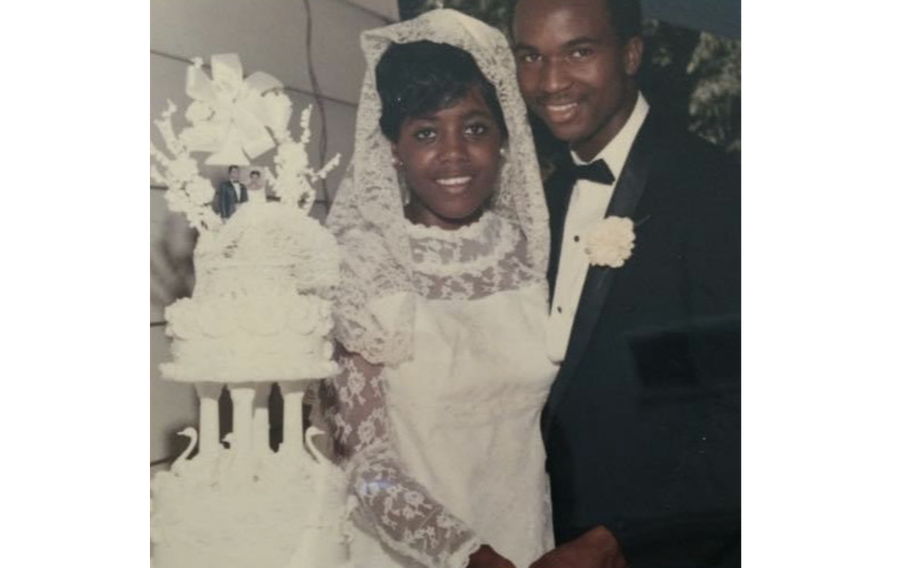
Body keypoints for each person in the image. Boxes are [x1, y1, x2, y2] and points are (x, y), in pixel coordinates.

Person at [510, 1, 743, 567]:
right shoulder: (540, 202)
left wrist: (619, 540)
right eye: (531, 57)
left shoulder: (716, 189)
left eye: (579, 51)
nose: (551, 81)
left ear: (632, 54)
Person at [325, 9, 556, 568]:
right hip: (414, 555)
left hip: (531, 544)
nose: (454, 154)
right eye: (426, 132)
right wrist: (465, 553)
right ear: (394, 151)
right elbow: (363, 466)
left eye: (476, 128)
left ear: (505, 140)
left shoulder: (531, 257)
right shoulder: (364, 268)